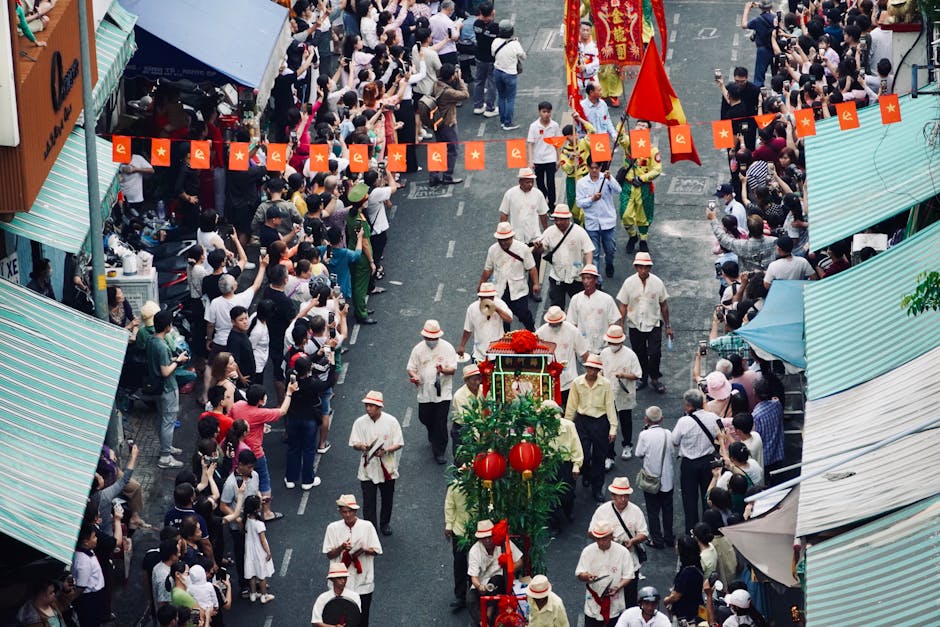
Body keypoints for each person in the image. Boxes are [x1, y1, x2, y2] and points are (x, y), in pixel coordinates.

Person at [228, 382, 299, 522]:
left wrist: (259, 426)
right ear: (261, 400)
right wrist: (289, 392)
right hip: (255, 453)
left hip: (239, 450)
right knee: (264, 481)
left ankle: (243, 509)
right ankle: (267, 512)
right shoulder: (260, 413)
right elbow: (282, 411)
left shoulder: (238, 406)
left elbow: (233, 421)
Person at [322, 494, 383, 627]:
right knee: (340, 617)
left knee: (363, 616)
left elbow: (377, 550)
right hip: (340, 582)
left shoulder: (367, 526)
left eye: (350, 511)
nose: (348, 515)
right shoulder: (332, 528)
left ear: (355, 511)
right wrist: (341, 548)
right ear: (340, 512)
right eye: (344, 512)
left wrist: (364, 550)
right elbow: (329, 554)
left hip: (363, 581)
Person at [616, 252, 673, 394]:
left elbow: (664, 305)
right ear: (636, 267)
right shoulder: (629, 283)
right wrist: (620, 325)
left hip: (653, 323)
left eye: (646, 267)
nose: (643, 270)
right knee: (639, 353)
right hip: (635, 324)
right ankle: (642, 377)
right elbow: (623, 305)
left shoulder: (657, 283)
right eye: (640, 267)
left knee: (655, 353)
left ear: (650, 268)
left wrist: (668, 326)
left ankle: (654, 378)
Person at [349, 391, 404, 536]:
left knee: (387, 498)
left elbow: (398, 443)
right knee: (368, 501)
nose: (368, 409)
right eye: (367, 406)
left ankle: (384, 523)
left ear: (379, 407)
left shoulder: (391, 422)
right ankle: (370, 528)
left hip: (387, 467)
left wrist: (385, 450)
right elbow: (354, 443)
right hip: (367, 469)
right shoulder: (360, 422)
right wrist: (362, 446)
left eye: (371, 406)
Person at [565, 354, 618, 503]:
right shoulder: (577, 383)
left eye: (595, 369)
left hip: (600, 422)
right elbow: (571, 405)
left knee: (599, 458)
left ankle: (597, 488)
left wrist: (613, 428)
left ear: (598, 370)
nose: (592, 372)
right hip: (582, 422)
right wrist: (567, 425)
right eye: (589, 368)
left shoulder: (605, 384)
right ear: (586, 368)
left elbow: (610, 406)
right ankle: (586, 473)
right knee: (584, 455)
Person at [589, 477, 648, 606]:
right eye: (620, 496)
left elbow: (644, 533)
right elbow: (591, 532)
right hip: (606, 562)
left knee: (630, 597)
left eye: (626, 496)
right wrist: (605, 539)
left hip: (630, 560)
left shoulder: (635, 511)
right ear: (613, 496)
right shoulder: (602, 511)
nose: (623, 499)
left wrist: (633, 541)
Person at [406, 320, 459, 463]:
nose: (431, 341)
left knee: (441, 422)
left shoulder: (447, 348)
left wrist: (443, 370)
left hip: (443, 392)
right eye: (428, 338)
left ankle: (439, 451)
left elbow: (453, 369)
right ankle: (432, 432)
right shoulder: (418, 350)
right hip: (425, 391)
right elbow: (411, 368)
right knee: (424, 417)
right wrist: (414, 376)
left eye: (433, 338)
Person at [672, 389, 721, 530]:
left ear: (688, 406)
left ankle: (692, 532)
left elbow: (675, 441)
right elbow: (719, 436)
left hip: (689, 464)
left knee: (690, 501)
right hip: (709, 462)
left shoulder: (683, 421)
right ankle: (709, 529)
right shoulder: (713, 418)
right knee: (708, 498)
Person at [147, 310, 189, 469]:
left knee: (163, 419)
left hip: (156, 387)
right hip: (167, 388)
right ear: (167, 326)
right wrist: (177, 362)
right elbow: (165, 371)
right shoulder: (162, 346)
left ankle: (167, 446)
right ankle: (165, 456)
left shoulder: (152, 341)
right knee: (168, 421)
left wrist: (174, 360)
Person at [478, 221, 539, 331]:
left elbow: (532, 268)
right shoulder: (493, 250)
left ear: (511, 237)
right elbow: (488, 269)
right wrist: (481, 285)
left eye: (506, 239)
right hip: (499, 289)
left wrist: (535, 284)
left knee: (523, 314)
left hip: (518, 289)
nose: (503, 242)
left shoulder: (522, 249)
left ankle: (532, 331)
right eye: (501, 240)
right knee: (502, 319)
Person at [575, 521, 637, 627]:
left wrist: (618, 587)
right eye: (598, 539)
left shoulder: (622, 552)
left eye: (604, 539)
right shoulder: (588, 551)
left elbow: (629, 576)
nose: (601, 542)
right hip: (593, 602)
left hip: (615, 602)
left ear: (611, 537)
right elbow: (579, 573)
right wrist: (587, 576)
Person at [467, 519, 524, 626]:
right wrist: (479, 587)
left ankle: (488, 614)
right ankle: (483, 623)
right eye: (484, 538)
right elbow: (473, 577)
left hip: (500, 582)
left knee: (496, 580)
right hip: (482, 583)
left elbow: (520, 561)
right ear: (480, 539)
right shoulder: (474, 551)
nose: (488, 540)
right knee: (470, 599)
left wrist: (509, 568)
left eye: (489, 537)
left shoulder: (503, 543)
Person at [633, 406, 675, 549]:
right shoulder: (668, 434)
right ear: (662, 419)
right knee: (668, 510)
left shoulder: (644, 435)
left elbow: (638, 453)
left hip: (651, 480)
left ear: (646, 419)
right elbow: (672, 450)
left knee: (653, 511)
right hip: (667, 480)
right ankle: (669, 537)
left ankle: (657, 539)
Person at [618, 120, 662, 254]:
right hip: (627, 185)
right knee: (625, 215)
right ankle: (632, 236)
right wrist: (621, 121)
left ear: (649, 130)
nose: (641, 127)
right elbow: (620, 136)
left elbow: (657, 169)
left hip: (643, 187)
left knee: (643, 217)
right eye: (639, 124)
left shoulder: (652, 149)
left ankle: (643, 240)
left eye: (644, 126)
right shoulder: (628, 142)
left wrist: (643, 178)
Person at [538, 204, 594, 309]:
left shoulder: (579, 232)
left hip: (576, 276)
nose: (558, 222)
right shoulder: (549, 232)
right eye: (556, 219)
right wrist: (539, 247)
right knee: (556, 307)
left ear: (568, 219)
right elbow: (542, 250)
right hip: (557, 275)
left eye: (561, 220)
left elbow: (588, 250)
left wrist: (588, 267)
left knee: (580, 305)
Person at [600, 325, 642, 462]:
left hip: (624, 395)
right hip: (607, 394)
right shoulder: (604, 353)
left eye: (615, 343)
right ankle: (609, 454)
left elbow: (637, 374)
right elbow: (600, 370)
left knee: (625, 421)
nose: (612, 345)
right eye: (611, 343)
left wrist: (624, 375)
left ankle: (627, 445)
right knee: (609, 424)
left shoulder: (630, 355)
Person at [284, 356, 328, 490]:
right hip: (309, 419)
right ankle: (307, 480)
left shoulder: (290, 378)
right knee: (309, 450)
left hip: (292, 418)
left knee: (293, 448)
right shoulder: (313, 383)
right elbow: (327, 383)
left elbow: (291, 370)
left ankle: (291, 478)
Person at [576, 159, 622, 279]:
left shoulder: (606, 179)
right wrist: (592, 199)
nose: (594, 170)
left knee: (610, 250)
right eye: (592, 167)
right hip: (592, 224)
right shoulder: (581, 183)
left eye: (597, 167)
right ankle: (597, 281)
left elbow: (618, 190)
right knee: (594, 254)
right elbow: (579, 203)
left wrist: (610, 178)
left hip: (608, 222)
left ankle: (609, 264)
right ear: (587, 167)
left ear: (601, 167)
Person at [536, 306, 587, 406]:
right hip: (549, 379)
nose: (554, 325)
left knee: (570, 411)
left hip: (569, 379)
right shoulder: (541, 333)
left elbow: (584, 353)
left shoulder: (572, 331)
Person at [428, 63, 469, 186]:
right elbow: (465, 95)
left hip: (437, 122)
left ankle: (433, 175)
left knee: (439, 149)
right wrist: (460, 80)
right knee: (452, 150)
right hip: (448, 124)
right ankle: (447, 176)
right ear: (451, 77)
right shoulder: (448, 92)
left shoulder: (436, 84)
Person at [567, 264, 620, 354]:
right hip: (584, 348)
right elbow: (572, 324)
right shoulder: (576, 299)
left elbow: (614, 322)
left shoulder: (607, 299)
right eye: (583, 278)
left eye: (589, 278)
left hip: (603, 348)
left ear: (595, 280)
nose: (586, 281)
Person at [456, 282, 513, 361]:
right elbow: (468, 328)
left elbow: (509, 319)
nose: (488, 300)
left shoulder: (500, 304)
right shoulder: (472, 308)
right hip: (479, 353)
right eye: (485, 298)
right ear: (480, 297)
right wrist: (462, 345)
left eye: (491, 297)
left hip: (497, 352)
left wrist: (496, 309)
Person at [443, 473, 471, 612]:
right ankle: (460, 596)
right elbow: (450, 505)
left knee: (476, 563)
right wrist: (449, 525)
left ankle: (474, 593)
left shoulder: (481, 483)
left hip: (477, 532)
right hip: (459, 531)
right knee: (459, 564)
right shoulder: (454, 486)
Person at [491, 19, 525, 131]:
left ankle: (502, 120)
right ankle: (508, 123)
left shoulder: (495, 41)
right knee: (510, 99)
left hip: (497, 71)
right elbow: (523, 56)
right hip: (510, 74)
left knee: (501, 96)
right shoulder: (515, 43)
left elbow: (492, 54)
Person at [241, 495, 274, 604]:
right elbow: (263, 541)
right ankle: (265, 595)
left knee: (252, 572)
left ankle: (253, 594)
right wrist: (268, 552)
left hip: (249, 549)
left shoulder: (246, 519)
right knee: (262, 574)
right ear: (256, 509)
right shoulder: (259, 524)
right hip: (259, 550)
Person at [71, 525, 106, 627]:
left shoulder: (87, 551)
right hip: (89, 599)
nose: (96, 539)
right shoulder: (83, 561)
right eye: (94, 537)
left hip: (94, 596)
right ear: (85, 542)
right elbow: (81, 587)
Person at [662, 537, 704, 624]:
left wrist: (666, 600)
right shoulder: (697, 565)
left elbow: (676, 596)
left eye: (678, 545)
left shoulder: (686, 572)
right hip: (697, 608)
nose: (676, 546)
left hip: (686, 614)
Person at [528, 102, 562, 206]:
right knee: (540, 183)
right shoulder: (534, 126)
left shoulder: (554, 125)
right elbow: (530, 144)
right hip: (538, 159)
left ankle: (552, 205)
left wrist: (558, 159)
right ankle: (544, 202)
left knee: (551, 183)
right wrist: (531, 161)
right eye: (544, 112)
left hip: (550, 158)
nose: (546, 114)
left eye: (548, 112)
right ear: (539, 112)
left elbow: (557, 143)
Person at [471, 1, 499, 116]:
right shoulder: (495, 27)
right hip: (491, 59)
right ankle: (490, 108)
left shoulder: (477, 24)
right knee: (492, 83)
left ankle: (478, 105)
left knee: (479, 81)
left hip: (479, 57)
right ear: (492, 12)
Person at [740, 0, 776, 87]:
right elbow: (772, 13)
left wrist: (746, 9)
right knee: (776, 75)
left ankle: (759, 95)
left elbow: (744, 25)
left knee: (759, 78)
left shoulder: (758, 20)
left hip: (763, 50)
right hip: (776, 48)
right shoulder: (776, 18)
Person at [450, 363, 482, 456]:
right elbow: (468, 420)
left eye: (479, 379)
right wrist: (479, 438)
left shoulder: (482, 390)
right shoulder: (459, 396)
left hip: (481, 427)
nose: (477, 383)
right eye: (474, 380)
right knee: (462, 459)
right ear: (466, 381)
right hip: (463, 429)